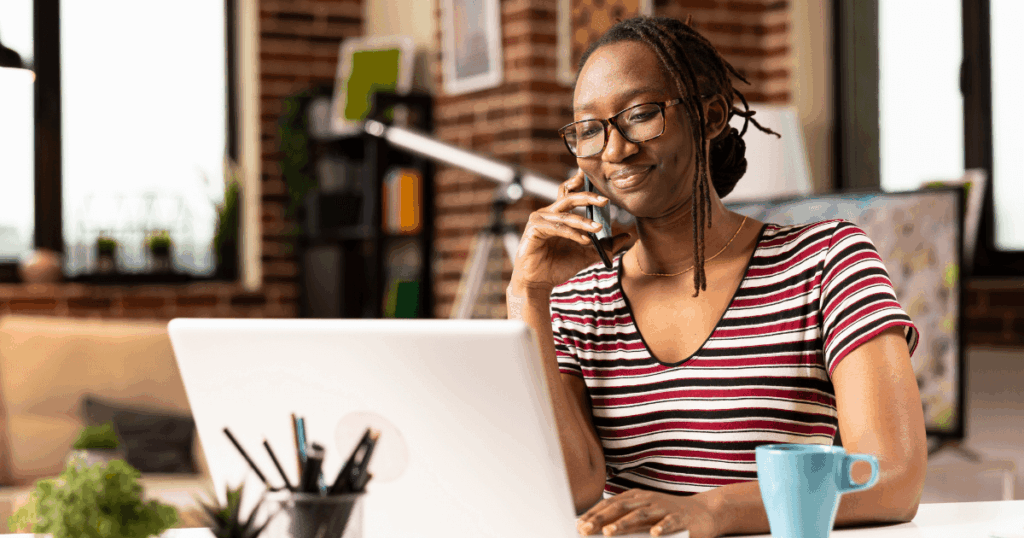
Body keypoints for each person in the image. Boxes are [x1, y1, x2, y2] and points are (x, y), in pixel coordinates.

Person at [506, 15, 927, 538]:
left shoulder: (826, 262)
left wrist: (712, 511)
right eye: (589, 130)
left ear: (709, 116)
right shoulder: (575, 305)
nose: (613, 151)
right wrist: (529, 297)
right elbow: (570, 488)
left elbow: (891, 477)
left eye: (639, 115)